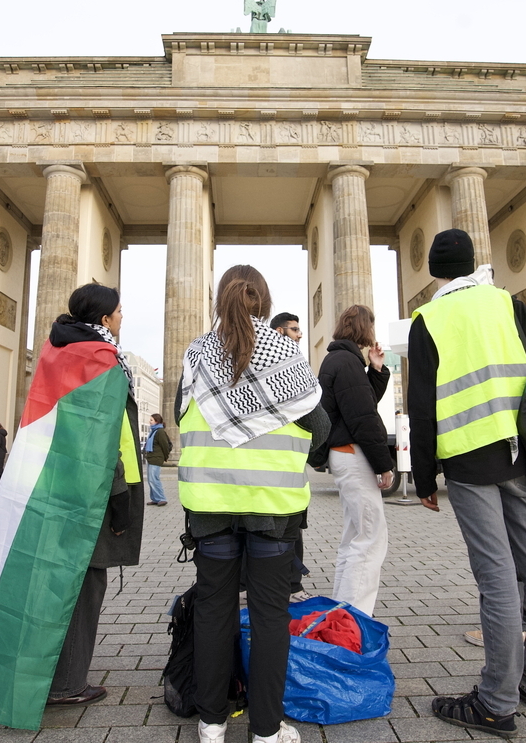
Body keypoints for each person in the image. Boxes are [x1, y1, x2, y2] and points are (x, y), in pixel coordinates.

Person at [409, 229, 526, 738]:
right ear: (473, 264)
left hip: (470, 458)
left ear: (434, 270)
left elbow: (423, 404)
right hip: (521, 452)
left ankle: (496, 701)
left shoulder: (429, 318)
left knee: (495, 576)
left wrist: (424, 475)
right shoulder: (508, 304)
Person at [178, 265, 328, 743]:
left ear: (220, 299)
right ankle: (265, 730)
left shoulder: (196, 356)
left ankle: (211, 723)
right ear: (263, 301)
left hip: (209, 507)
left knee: (213, 613)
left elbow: (184, 415)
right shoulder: (287, 355)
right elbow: (320, 430)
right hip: (272, 511)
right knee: (269, 618)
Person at [43, 283, 145, 707]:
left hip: (60, 482)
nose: (122, 318)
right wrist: (120, 497)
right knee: (86, 584)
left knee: (63, 578)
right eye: (119, 312)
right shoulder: (100, 358)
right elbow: (100, 436)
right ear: (104, 320)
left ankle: (49, 671)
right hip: (97, 488)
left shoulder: (60, 350)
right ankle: (66, 683)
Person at [317, 304, 394, 617]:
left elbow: (360, 404)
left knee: (354, 537)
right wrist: (383, 464)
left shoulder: (338, 359)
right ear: (364, 327)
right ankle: (354, 618)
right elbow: (363, 417)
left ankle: (341, 611)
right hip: (352, 452)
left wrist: (375, 370)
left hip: (342, 452)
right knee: (369, 538)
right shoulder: (347, 363)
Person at [271, 311, 312, 602]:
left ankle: (287, 585)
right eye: (295, 329)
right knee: (287, 530)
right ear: (278, 331)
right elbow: (318, 422)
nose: (300, 335)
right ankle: (289, 586)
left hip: (286, 464)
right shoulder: (284, 364)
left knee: (289, 530)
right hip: (280, 465)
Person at [143, 413, 170, 506]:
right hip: (150, 458)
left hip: (156, 458)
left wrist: (165, 457)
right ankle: (155, 498)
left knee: (154, 479)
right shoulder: (153, 431)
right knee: (151, 479)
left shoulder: (160, 431)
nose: (149, 422)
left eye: (151, 420)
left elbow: (165, 445)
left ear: (156, 421)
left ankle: (161, 498)